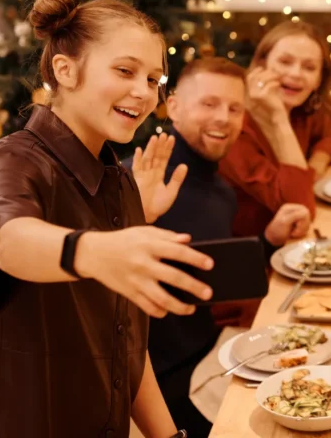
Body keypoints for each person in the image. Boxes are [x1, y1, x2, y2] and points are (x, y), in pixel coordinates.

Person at [0, 0, 212, 437]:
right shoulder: (7, 164)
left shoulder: (119, 184)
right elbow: (9, 241)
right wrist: (93, 251)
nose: (143, 93)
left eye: (153, 80)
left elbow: (124, 345)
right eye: (125, 70)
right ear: (65, 70)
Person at [124, 58, 311, 436]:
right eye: (208, 104)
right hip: (163, 383)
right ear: (173, 106)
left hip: (211, 351)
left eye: (234, 108)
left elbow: (209, 267)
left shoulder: (220, 188)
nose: (223, 118)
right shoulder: (140, 179)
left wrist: (268, 239)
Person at [219, 21, 331, 238]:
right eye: (285, 62)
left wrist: (315, 166)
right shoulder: (234, 126)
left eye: (309, 67)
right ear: (261, 65)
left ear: (318, 80)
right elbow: (299, 209)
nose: (296, 73)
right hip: (252, 251)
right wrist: (279, 119)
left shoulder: (301, 108)